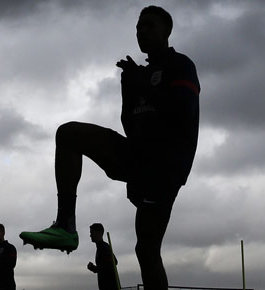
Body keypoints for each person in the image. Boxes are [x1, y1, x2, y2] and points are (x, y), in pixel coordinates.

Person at [20, 6, 200, 289]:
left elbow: (182, 111)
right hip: (138, 158)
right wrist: (129, 88)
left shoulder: (181, 65)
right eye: (138, 27)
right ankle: (65, 226)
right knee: (68, 134)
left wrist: (141, 84)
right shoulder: (136, 73)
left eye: (149, 26)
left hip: (164, 168)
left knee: (146, 250)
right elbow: (130, 122)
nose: (142, 31)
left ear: (167, 31)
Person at [87, 223, 118, 290]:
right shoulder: (101, 247)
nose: (90, 235)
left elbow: (113, 263)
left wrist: (94, 268)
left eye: (92, 232)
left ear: (99, 233)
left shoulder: (104, 248)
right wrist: (94, 268)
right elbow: (105, 267)